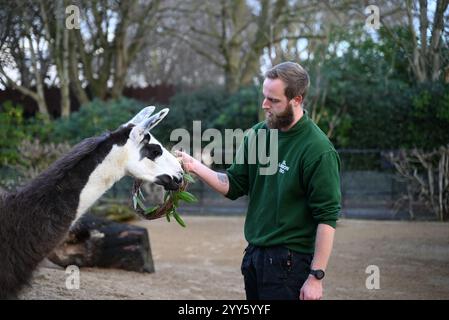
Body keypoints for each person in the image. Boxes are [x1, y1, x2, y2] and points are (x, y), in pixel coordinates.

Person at [176, 62, 341, 300]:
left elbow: (327, 218)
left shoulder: (318, 150)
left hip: (290, 264)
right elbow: (234, 184)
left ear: (296, 99)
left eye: (273, 100)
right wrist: (195, 166)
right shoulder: (257, 134)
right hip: (254, 256)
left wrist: (315, 277)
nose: (265, 105)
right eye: (264, 97)